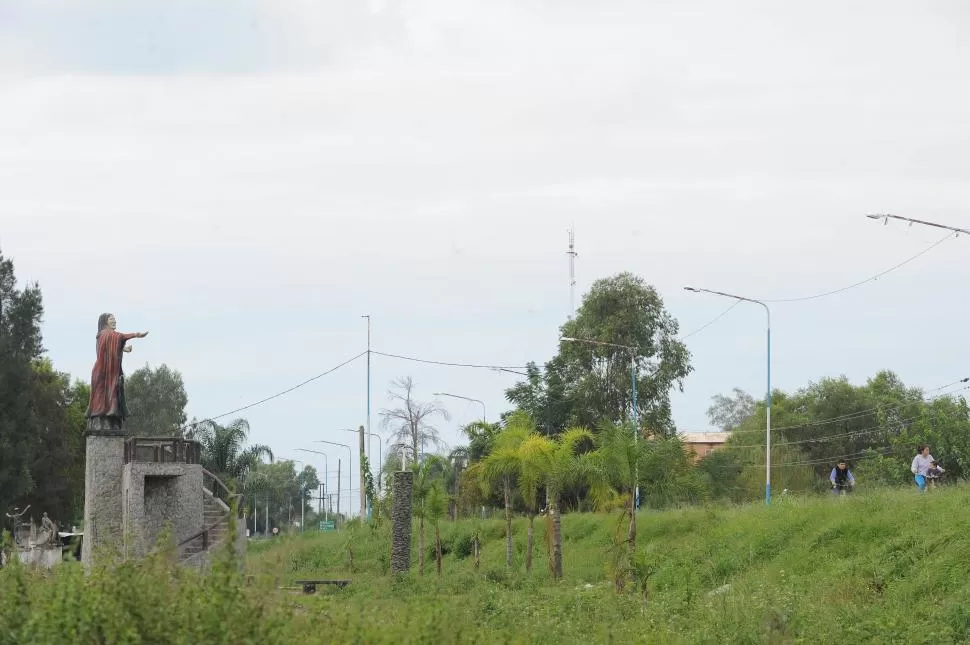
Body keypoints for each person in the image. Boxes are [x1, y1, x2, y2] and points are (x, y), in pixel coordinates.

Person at [86, 313, 148, 426]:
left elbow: (111, 347)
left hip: (105, 372)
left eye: (114, 319)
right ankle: (102, 419)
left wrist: (124, 349)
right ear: (105, 322)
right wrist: (136, 334)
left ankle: (111, 417)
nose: (114, 321)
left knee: (112, 392)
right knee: (102, 396)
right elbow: (119, 337)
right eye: (111, 319)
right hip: (102, 372)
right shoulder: (105, 334)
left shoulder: (102, 335)